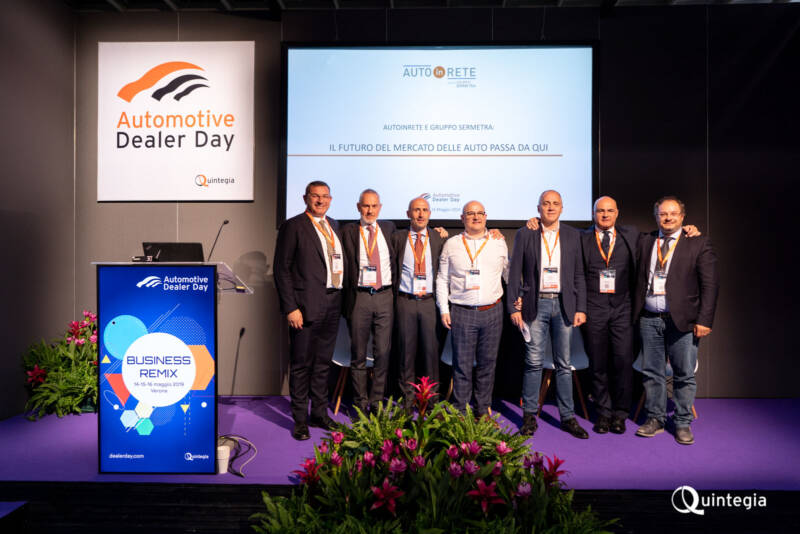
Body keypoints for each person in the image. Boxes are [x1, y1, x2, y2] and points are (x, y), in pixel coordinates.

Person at [527, 197, 702, 435]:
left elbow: (665, 233)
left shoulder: (632, 235)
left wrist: (688, 229)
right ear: (593, 213)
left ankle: (620, 413)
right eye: (600, 211)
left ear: (617, 213)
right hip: (593, 309)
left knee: (622, 363)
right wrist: (535, 221)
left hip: (623, 310)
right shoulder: (581, 237)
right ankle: (603, 413)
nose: (605, 215)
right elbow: (555, 234)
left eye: (610, 210)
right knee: (598, 364)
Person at [633, 196, 718, 445]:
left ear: (682, 217)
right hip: (649, 318)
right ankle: (655, 419)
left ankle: (682, 422)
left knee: (683, 374)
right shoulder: (645, 240)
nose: (667, 218)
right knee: (652, 372)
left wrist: (705, 320)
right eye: (662, 214)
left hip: (683, 320)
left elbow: (710, 285)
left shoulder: (697, 243)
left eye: (673, 214)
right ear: (656, 216)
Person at [507, 190, 589, 439]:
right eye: (546, 203)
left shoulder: (573, 235)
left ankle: (567, 417)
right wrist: (513, 306)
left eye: (555, 204)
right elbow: (515, 272)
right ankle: (529, 416)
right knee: (533, 362)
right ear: (538, 208)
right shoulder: (526, 233)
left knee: (564, 364)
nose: (551, 207)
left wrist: (581, 307)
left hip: (564, 305)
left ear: (562, 208)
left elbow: (579, 274)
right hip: (535, 304)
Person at [273, 181, 343, 440]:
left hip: (333, 303)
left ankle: (319, 414)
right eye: (316, 196)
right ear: (305, 198)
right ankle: (300, 420)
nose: (320, 200)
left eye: (325, 196)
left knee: (323, 364)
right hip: (305, 307)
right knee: (301, 365)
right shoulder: (293, 226)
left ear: (330, 199)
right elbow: (281, 269)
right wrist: (291, 308)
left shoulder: (334, 225)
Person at [436, 201, 508, 418]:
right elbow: (442, 279)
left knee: (488, 366)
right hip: (462, 312)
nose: (476, 217)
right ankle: (460, 413)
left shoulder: (498, 242)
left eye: (479, 213)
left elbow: (508, 274)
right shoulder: (451, 244)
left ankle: (482, 412)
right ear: (462, 218)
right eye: (470, 213)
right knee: (462, 366)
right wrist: (444, 309)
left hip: (493, 311)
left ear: (485, 216)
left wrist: (518, 299)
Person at [341, 189, 396, 414]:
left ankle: (377, 402)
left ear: (380, 208)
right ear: (358, 207)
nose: (370, 210)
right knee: (358, 354)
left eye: (374, 206)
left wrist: (438, 231)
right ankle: (360, 404)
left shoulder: (390, 229)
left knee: (382, 353)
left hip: (385, 296)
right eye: (366, 206)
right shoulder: (347, 231)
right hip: (360, 297)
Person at [391, 197, 447, 411]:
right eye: (416, 210)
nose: (421, 214)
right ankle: (406, 404)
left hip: (429, 303)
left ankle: (431, 404)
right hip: (405, 301)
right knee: (405, 354)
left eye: (424, 210)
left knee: (431, 354)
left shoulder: (439, 238)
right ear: (408, 214)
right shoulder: (397, 238)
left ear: (430, 213)